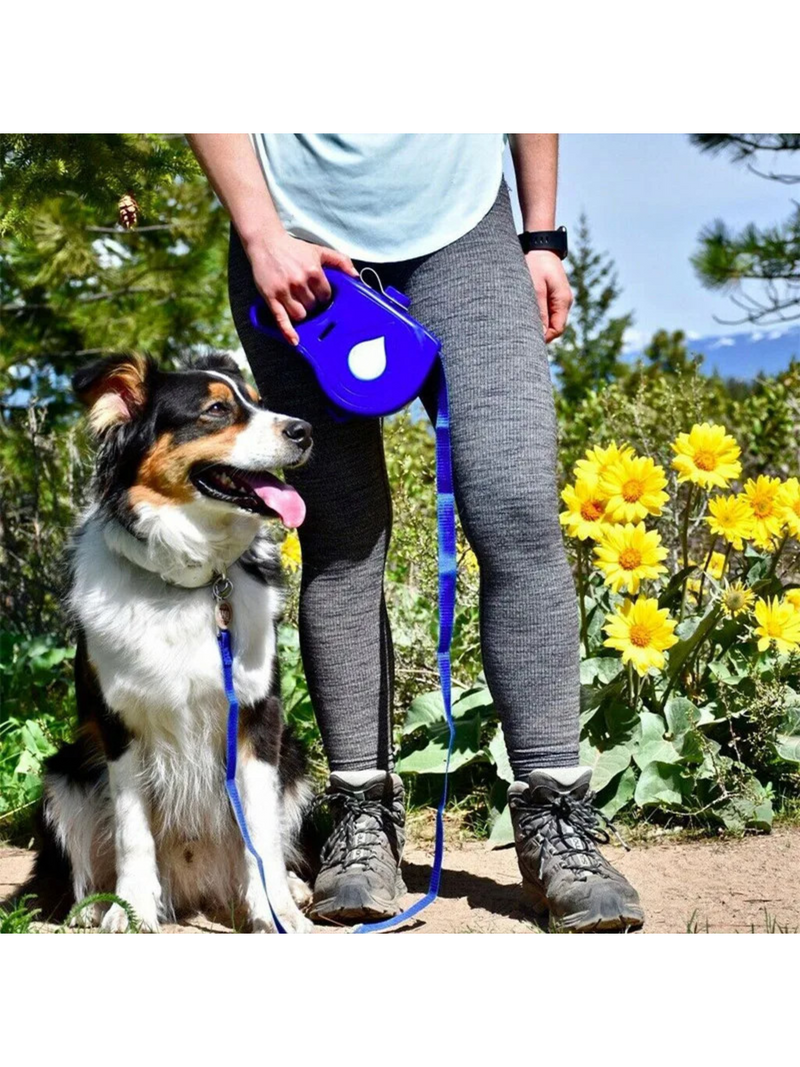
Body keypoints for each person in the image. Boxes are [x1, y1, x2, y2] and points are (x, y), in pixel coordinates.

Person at [188, 134, 643, 932]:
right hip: (293, 233)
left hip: (464, 225)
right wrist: (260, 232)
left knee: (515, 506)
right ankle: (362, 812)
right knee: (341, 530)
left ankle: (556, 817)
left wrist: (540, 236)